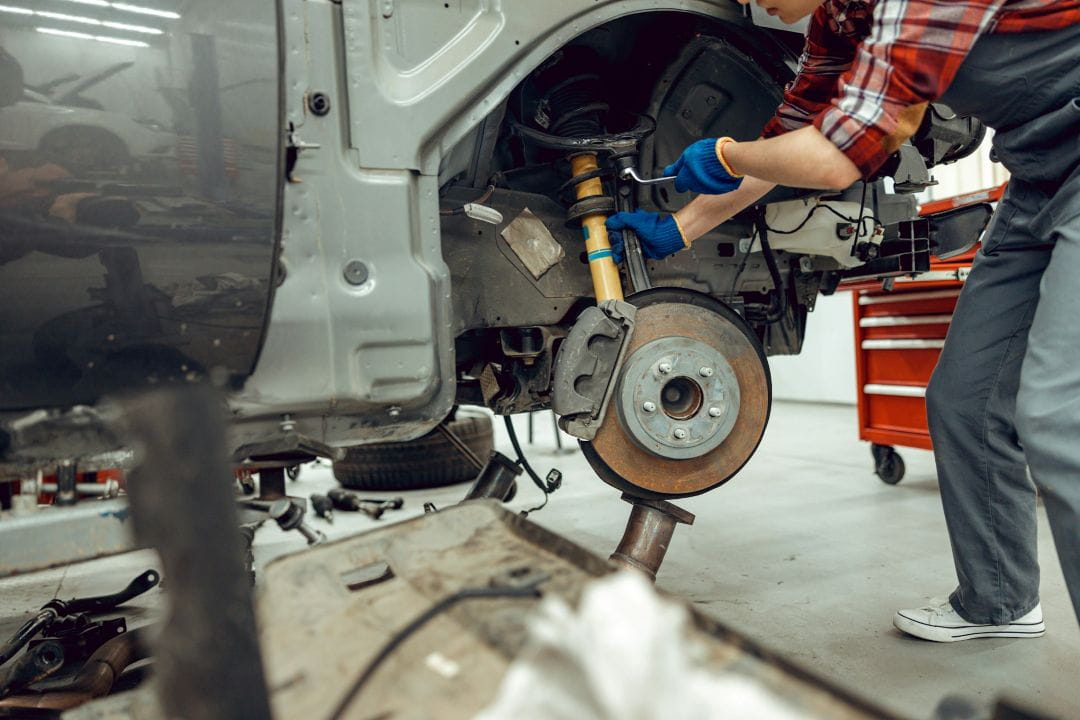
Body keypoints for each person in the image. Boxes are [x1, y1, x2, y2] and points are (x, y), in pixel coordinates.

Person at [606, 0, 1080, 642]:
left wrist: (725, 152)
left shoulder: (914, 3)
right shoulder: (839, 23)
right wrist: (678, 228)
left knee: (1058, 414)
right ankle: (1000, 600)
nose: (751, 2)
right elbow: (786, 146)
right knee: (964, 400)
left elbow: (836, 159)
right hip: (1039, 180)